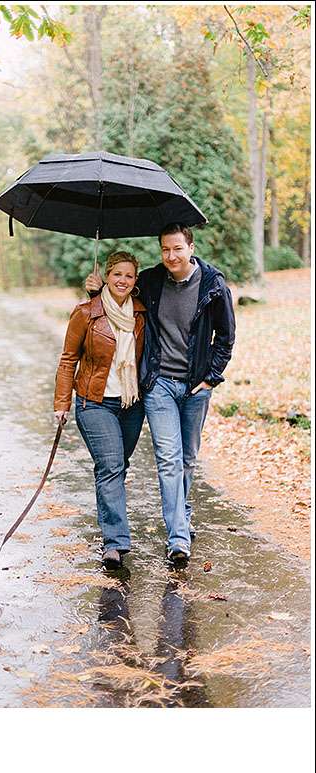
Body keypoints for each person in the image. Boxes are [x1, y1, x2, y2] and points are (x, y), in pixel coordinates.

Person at [86, 224, 236, 568]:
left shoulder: (213, 285)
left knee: (187, 458)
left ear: (191, 248)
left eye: (177, 249)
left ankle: (182, 514)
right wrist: (97, 292)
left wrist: (211, 378)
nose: (171, 256)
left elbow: (225, 338)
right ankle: (178, 539)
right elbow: (118, 299)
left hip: (196, 386)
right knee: (169, 459)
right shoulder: (152, 281)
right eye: (165, 249)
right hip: (159, 385)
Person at [55, 251, 147, 570]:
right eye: (117, 274)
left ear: (136, 282)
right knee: (110, 465)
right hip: (93, 402)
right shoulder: (86, 313)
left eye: (129, 276)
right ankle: (115, 542)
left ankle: (110, 527)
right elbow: (68, 359)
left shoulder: (141, 313)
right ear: (106, 275)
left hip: (131, 404)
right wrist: (61, 403)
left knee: (117, 465)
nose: (122, 280)